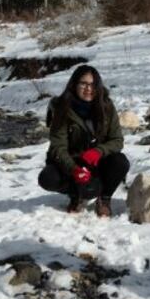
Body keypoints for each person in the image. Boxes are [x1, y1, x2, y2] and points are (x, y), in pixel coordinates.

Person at [38, 65, 129, 217]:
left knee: (120, 162)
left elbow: (117, 140)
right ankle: (76, 196)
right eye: (83, 84)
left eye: (93, 84)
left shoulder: (106, 106)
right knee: (47, 178)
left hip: (97, 161)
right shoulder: (62, 107)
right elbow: (58, 148)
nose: (88, 89)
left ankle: (104, 198)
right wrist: (74, 169)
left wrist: (98, 151)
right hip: (71, 162)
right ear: (74, 84)